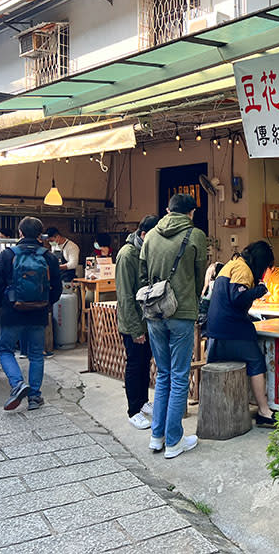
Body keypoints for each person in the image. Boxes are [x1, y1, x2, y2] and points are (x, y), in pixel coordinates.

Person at [140, 193, 207, 458]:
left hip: (154, 310)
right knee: (179, 376)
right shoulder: (195, 235)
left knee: (163, 374)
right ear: (191, 212)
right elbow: (199, 275)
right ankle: (174, 440)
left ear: (168, 210)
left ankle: (157, 437)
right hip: (181, 311)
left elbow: (143, 272)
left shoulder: (152, 235)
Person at [0, 216, 62, 411]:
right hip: (38, 313)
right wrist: (45, 304)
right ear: (40, 235)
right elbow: (57, 288)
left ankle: (18, 384)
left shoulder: (7, 255)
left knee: (5, 351)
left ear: (20, 233)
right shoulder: (48, 256)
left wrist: (4, 304)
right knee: (36, 355)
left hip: (12, 312)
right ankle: (35, 397)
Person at [206, 241, 278, 428]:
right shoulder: (243, 269)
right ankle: (264, 411)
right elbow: (237, 298)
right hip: (230, 329)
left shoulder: (231, 264)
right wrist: (259, 290)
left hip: (215, 331)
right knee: (256, 361)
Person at [116, 215, 158, 431]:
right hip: (132, 321)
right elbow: (124, 296)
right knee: (134, 363)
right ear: (143, 234)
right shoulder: (127, 255)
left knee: (144, 362)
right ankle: (133, 410)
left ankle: (143, 402)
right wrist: (135, 329)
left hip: (146, 319)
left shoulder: (143, 251)